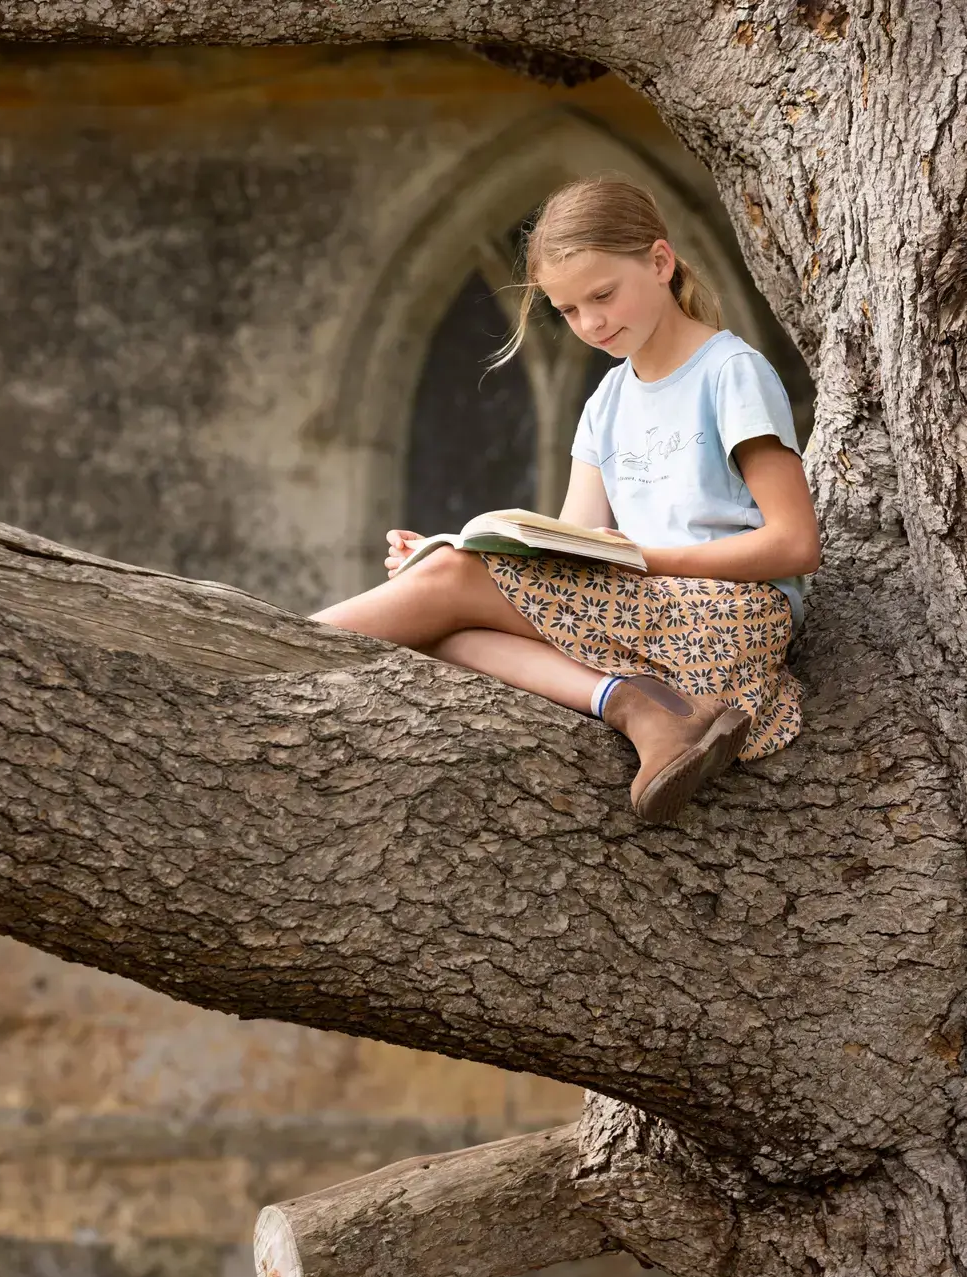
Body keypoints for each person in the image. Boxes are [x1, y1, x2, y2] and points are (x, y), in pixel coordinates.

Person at [312, 177, 821, 824]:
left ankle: (264, 654)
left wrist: (639, 559)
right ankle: (639, 706)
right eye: (569, 311)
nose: (591, 323)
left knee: (446, 587)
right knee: (442, 621)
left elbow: (796, 544)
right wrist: (463, 555)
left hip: (731, 625)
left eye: (602, 295)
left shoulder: (730, 371)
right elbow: (571, 555)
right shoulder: (605, 404)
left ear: (659, 262)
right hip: (648, 632)